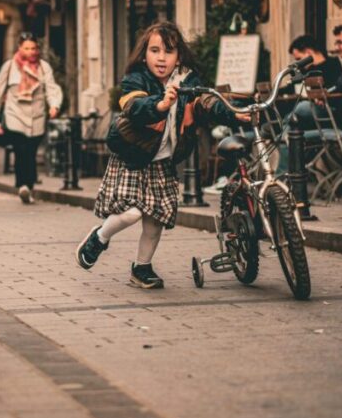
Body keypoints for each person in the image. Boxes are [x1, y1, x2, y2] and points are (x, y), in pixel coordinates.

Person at [76, 21, 238, 290]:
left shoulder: (189, 81)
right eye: (155, 50)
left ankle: (142, 268)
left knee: (155, 221)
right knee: (131, 213)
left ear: (179, 56)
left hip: (162, 161)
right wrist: (160, 104)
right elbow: (135, 106)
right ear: (144, 54)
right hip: (134, 156)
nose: (161, 57)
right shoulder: (135, 79)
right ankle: (100, 237)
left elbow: (208, 103)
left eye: (169, 51)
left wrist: (235, 113)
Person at [0, 32, 63, 203]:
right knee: (20, 150)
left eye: (34, 48)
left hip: (37, 116)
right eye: (27, 48)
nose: (31, 52)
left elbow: (51, 88)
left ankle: (28, 186)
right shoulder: (9, 66)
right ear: (19, 48)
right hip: (15, 114)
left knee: (31, 151)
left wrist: (54, 105)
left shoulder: (44, 67)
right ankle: (23, 185)